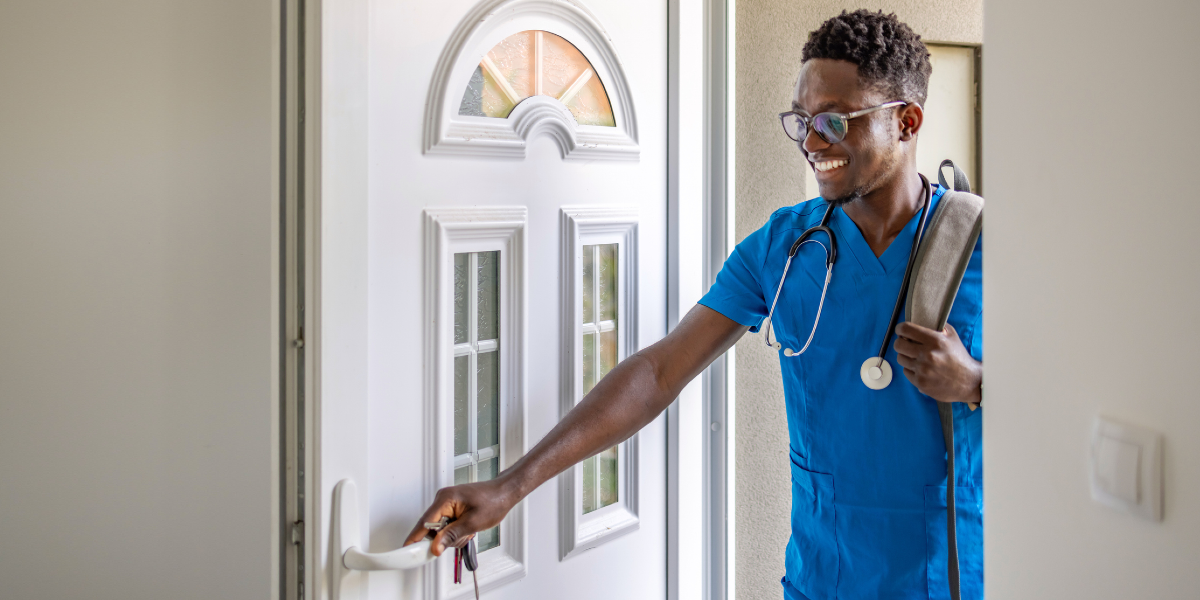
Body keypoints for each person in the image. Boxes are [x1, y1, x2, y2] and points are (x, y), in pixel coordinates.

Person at [405, 10, 984, 599]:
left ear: (906, 121)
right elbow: (659, 372)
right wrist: (511, 485)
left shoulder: (984, 249)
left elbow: (1069, 406)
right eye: (803, 121)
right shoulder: (782, 248)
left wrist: (978, 383)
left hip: (948, 577)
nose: (812, 143)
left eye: (835, 121)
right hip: (824, 577)